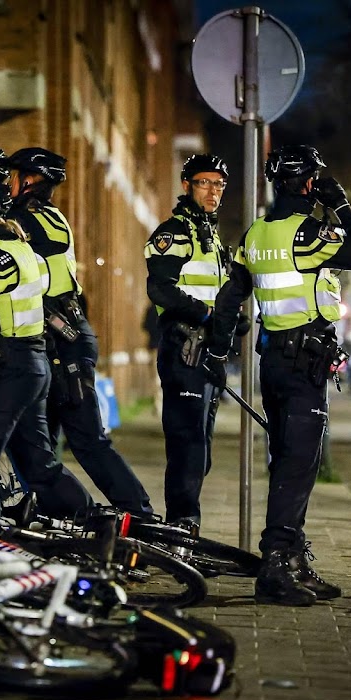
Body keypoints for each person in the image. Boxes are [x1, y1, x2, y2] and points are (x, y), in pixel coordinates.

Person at [209, 144, 351, 606]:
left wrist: (216, 352)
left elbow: (232, 297)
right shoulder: (309, 234)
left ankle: (293, 558)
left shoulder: (255, 235)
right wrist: (341, 204)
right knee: (298, 464)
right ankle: (277, 565)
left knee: (287, 458)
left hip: (273, 363)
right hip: (304, 364)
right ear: (309, 183)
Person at [5, 146, 154, 516]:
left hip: (63, 343)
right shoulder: (43, 215)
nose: (6, 183)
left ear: (27, 180)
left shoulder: (33, 218)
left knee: (87, 440)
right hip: (60, 338)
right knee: (43, 445)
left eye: (11, 176)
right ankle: (59, 515)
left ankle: (137, 514)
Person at [0, 179, 93, 531]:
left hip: (8, 368)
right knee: (39, 465)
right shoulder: (21, 246)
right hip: (32, 364)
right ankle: (91, 525)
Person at [144, 154, 232, 528]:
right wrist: (205, 314)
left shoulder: (210, 237)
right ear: (186, 185)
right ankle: (183, 523)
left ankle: (186, 520)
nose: (212, 191)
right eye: (204, 183)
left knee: (201, 446)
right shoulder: (173, 233)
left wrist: (232, 321)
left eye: (219, 184)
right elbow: (159, 289)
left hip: (207, 351)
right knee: (187, 443)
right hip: (183, 348)